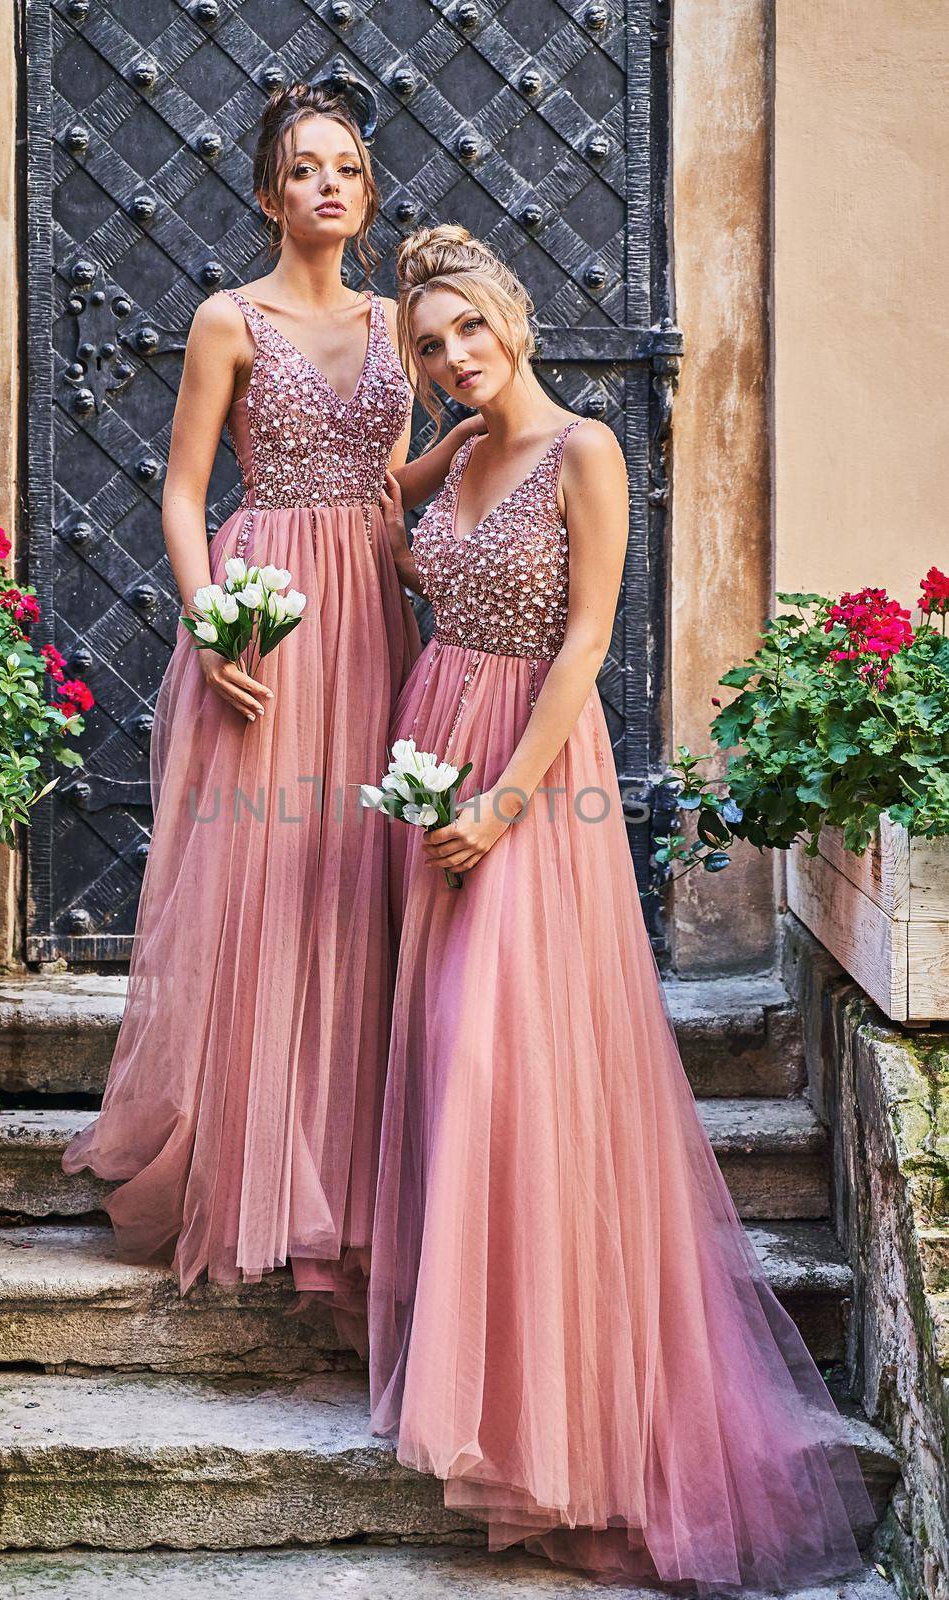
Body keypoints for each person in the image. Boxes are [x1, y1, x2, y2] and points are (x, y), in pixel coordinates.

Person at [368, 223, 873, 1591]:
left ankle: (571, 1425)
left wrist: (504, 802)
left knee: (509, 1064)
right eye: (429, 345)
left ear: (515, 320)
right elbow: (375, 521)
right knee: (447, 1062)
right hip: (437, 747)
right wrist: (417, 415)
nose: (453, 356)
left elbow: (588, 641)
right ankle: (489, 1393)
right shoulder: (459, 452)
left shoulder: (583, 449)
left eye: (469, 329)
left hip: (531, 779)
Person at [61, 87, 479, 1331]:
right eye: (303, 170)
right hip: (269, 621)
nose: (329, 186)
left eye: (347, 167)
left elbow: (379, 499)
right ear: (267, 194)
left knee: (353, 883)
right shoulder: (224, 319)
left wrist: (453, 457)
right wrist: (211, 622)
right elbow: (184, 492)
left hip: (372, 619)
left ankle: (341, 1189)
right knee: (262, 886)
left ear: (365, 188)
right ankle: (252, 1178)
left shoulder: (399, 323)